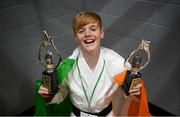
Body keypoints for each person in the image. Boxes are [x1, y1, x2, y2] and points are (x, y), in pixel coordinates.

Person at [35, 11, 150, 116]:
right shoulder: (68, 65)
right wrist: (49, 95)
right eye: (81, 31)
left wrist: (135, 91)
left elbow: (128, 94)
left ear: (101, 33)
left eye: (93, 29)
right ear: (76, 37)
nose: (87, 34)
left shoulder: (118, 63)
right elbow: (61, 94)